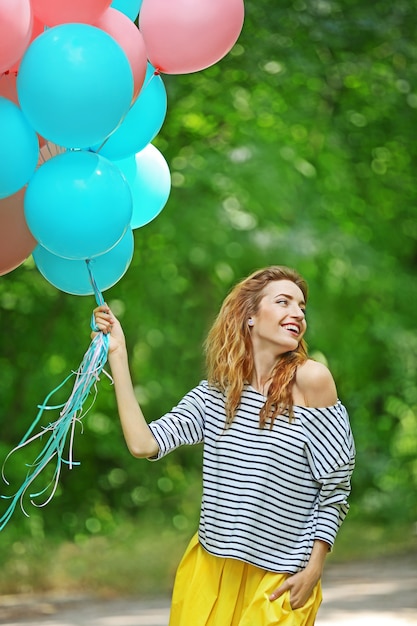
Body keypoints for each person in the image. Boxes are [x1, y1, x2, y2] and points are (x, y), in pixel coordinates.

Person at [93, 265, 355, 626]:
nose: (297, 313)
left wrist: (314, 569)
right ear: (249, 315)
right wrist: (117, 354)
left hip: (277, 582)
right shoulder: (216, 395)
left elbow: (335, 487)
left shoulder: (311, 381)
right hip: (210, 572)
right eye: (283, 302)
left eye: (301, 307)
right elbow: (144, 443)